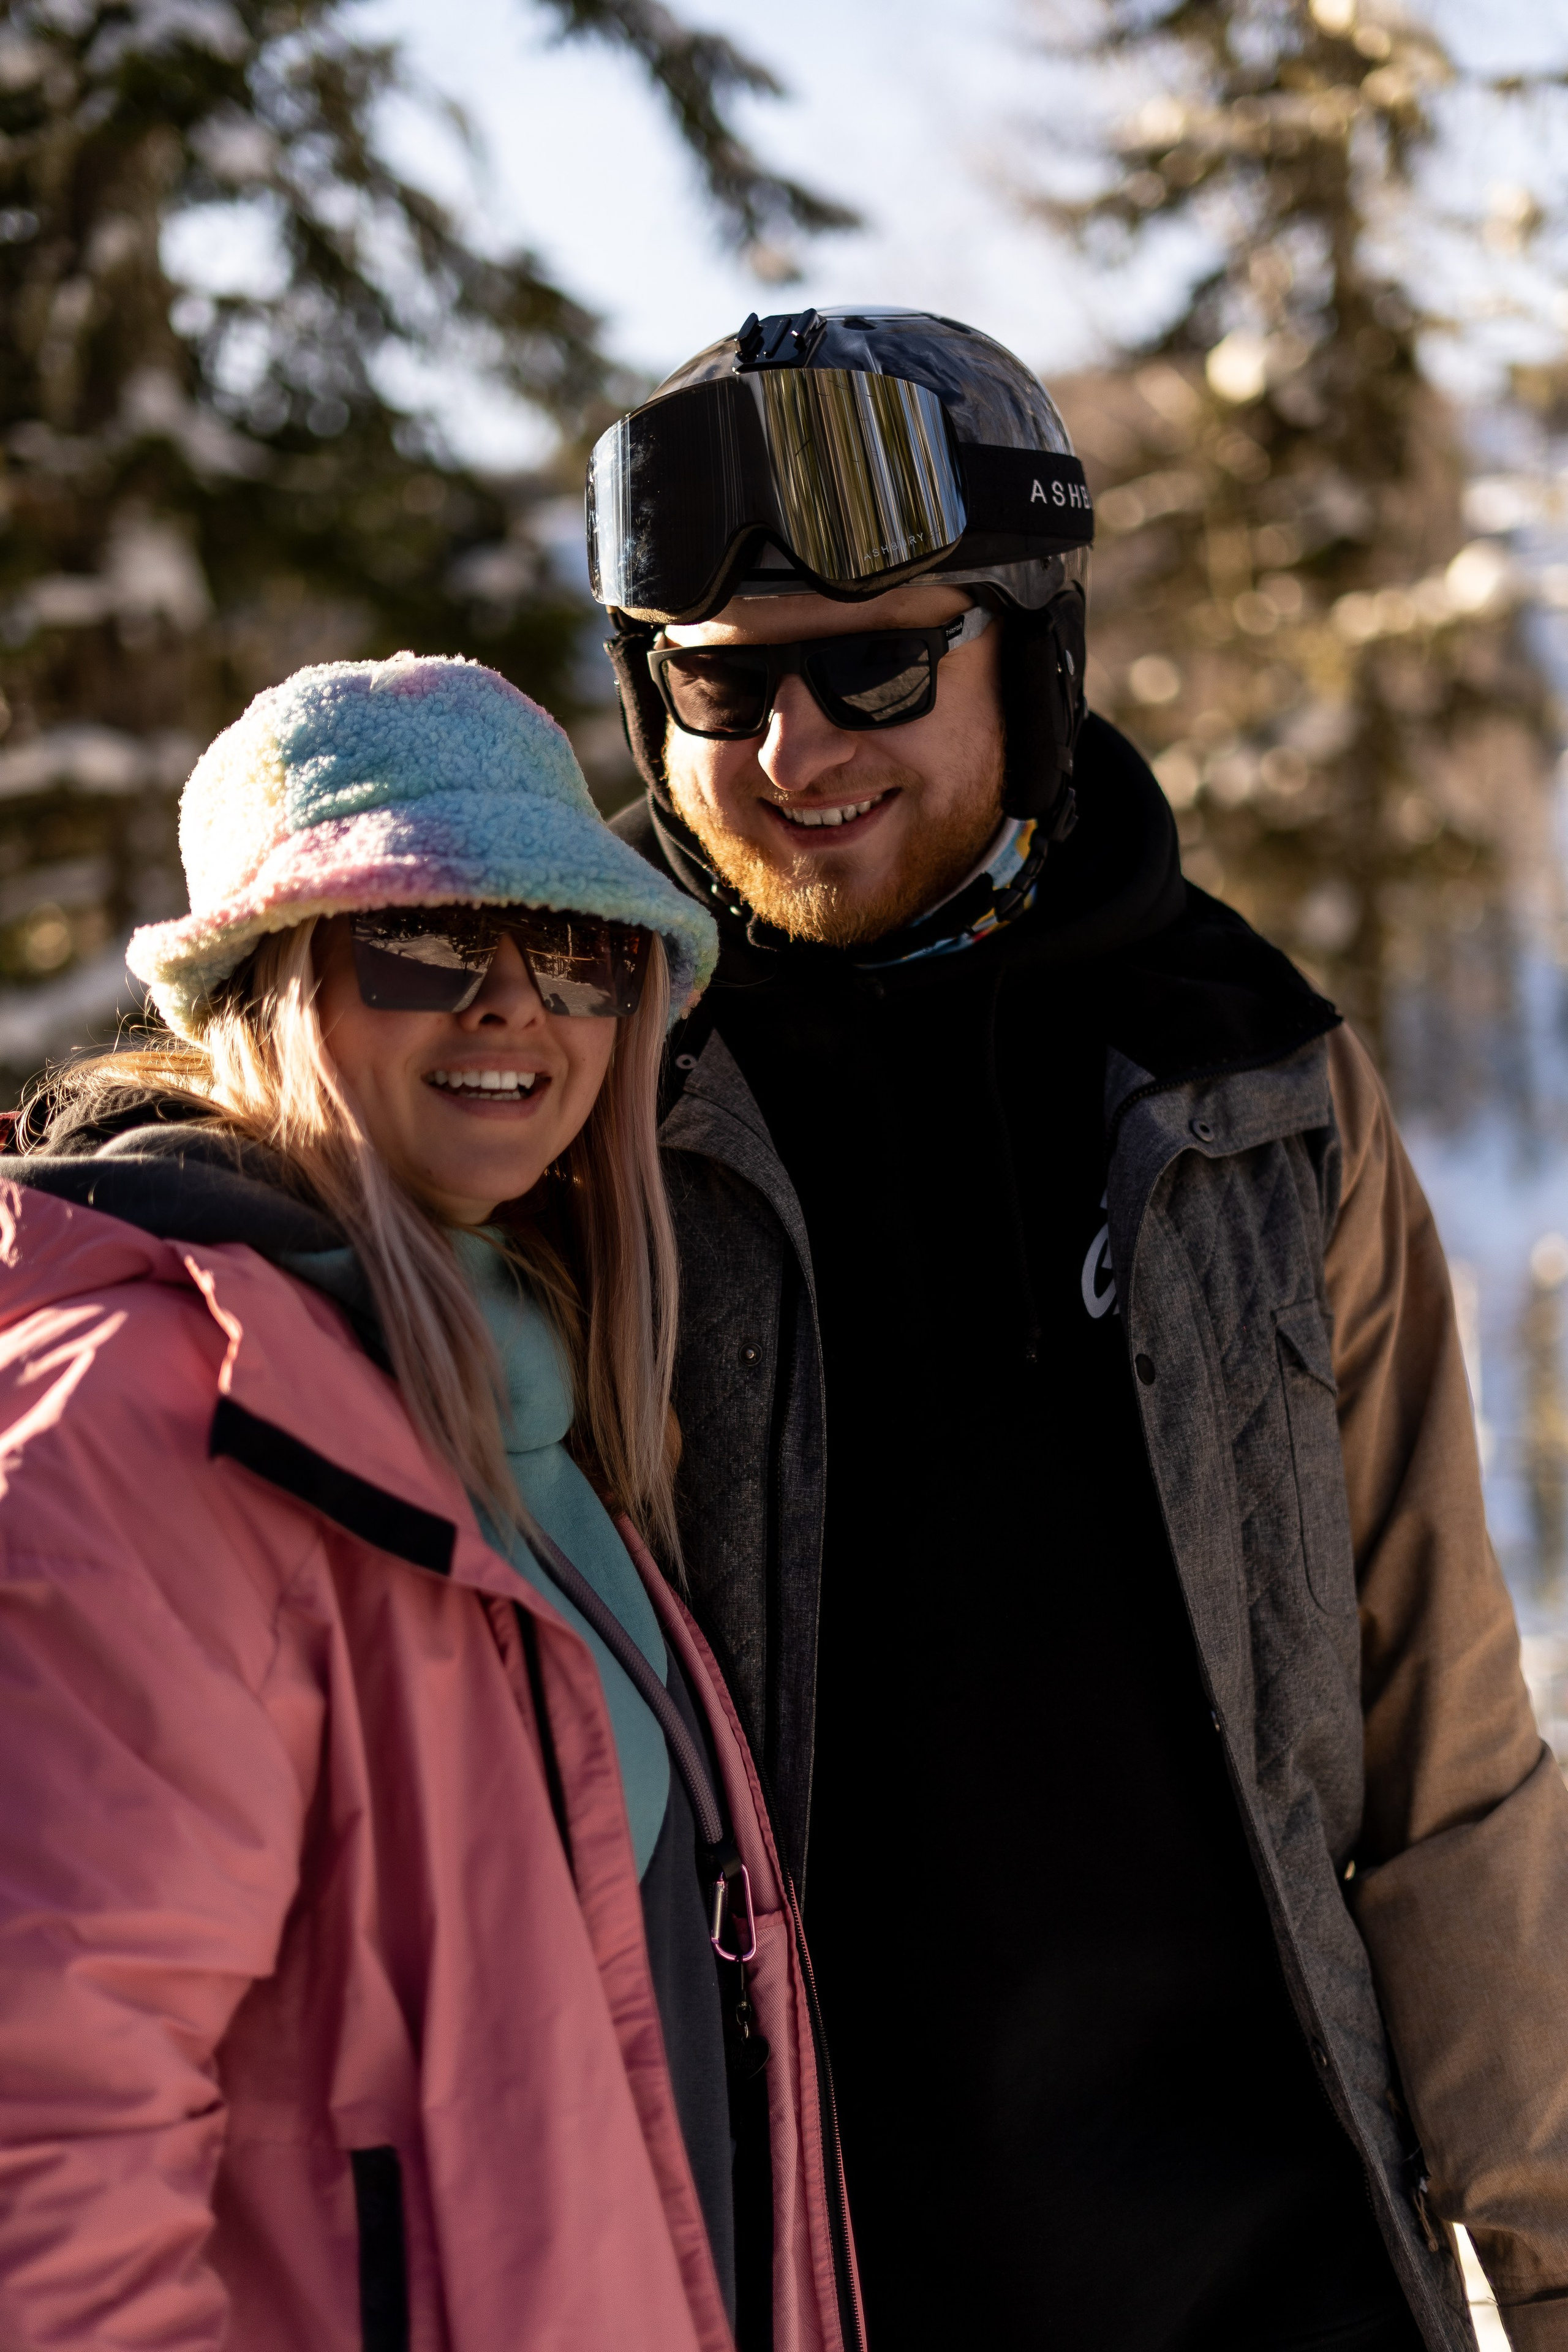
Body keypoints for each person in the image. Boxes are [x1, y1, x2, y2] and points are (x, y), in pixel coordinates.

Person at [591, 306, 1568, 2352]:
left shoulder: (1248, 1083)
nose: (797, 749)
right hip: (803, 2280)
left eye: (876, 657)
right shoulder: (576, 1099)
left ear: (1032, 650)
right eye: (722, 682)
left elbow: (1441, 1755)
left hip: (1279, 2278)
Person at [0, 651, 864, 2352]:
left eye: (574, 951)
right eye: (422, 936)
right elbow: (46, 2133)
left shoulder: (536, 1419)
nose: (513, 1006)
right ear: (261, 984)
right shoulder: (149, 1419)